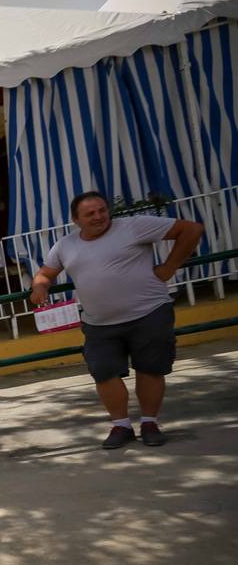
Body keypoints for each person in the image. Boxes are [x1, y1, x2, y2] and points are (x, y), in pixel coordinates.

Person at [30, 191, 204, 449]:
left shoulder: (134, 226)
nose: (99, 216)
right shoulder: (65, 245)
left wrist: (169, 267)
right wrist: (40, 286)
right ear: (75, 220)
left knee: (150, 369)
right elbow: (46, 272)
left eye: (102, 210)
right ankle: (121, 426)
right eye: (90, 213)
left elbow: (191, 230)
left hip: (149, 313)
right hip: (98, 324)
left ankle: (149, 423)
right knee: (103, 373)